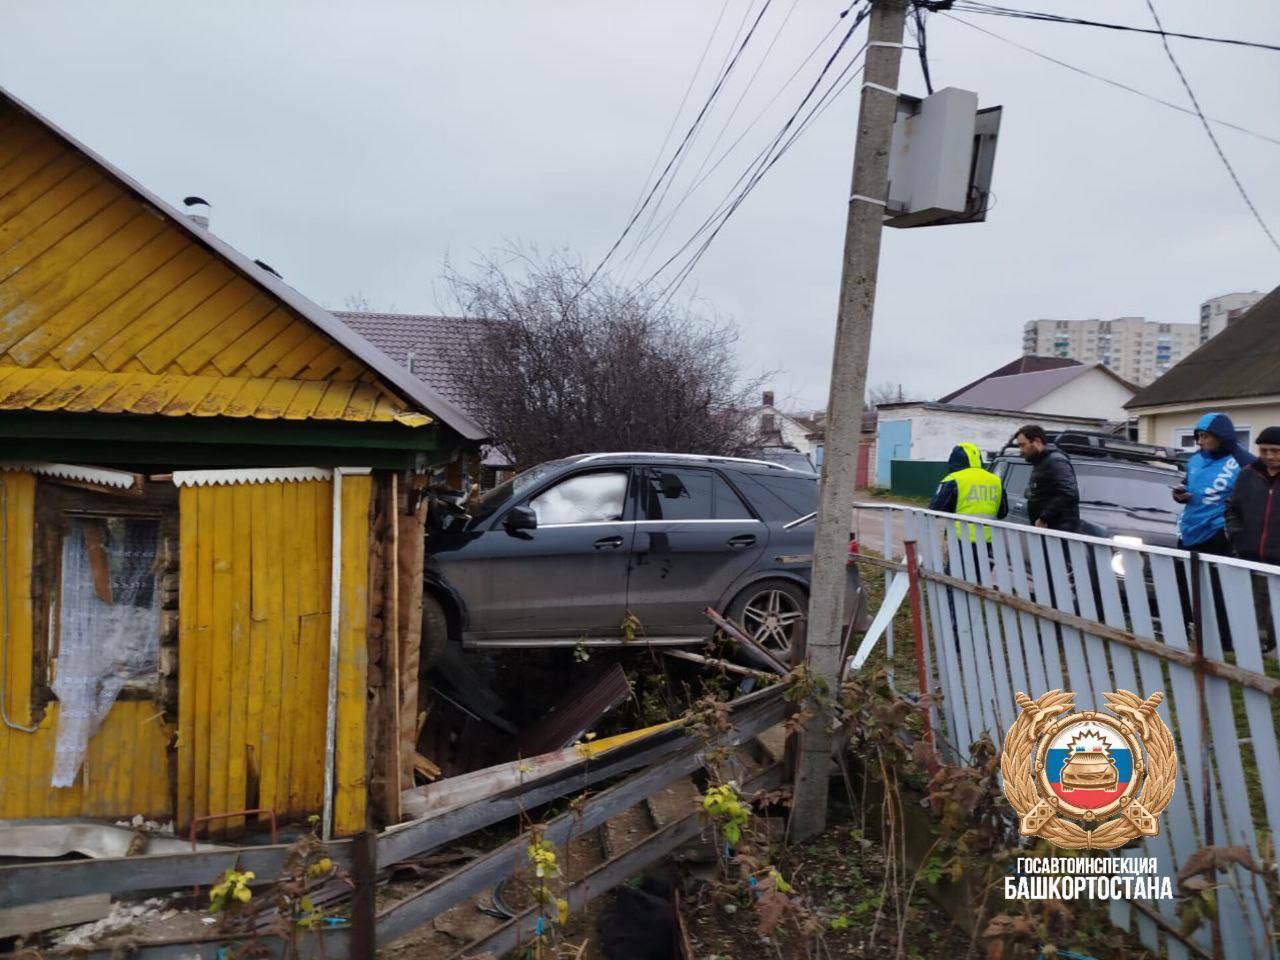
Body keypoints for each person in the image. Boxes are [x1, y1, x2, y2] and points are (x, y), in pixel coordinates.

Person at [1171, 412, 1256, 555]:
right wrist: (1179, 494)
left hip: (1218, 538)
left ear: (1221, 437)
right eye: (1198, 436)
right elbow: (1188, 484)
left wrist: (1231, 532)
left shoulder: (1245, 463)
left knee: (1214, 578)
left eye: (1205, 436)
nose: (1199, 441)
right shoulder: (1196, 459)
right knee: (1183, 577)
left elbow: (1254, 502)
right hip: (1188, 531)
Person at [929, 441, 1009, 540]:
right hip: (987, 540)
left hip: (958, 538)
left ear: (954, 460)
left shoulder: (953, 479)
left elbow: (935, 510)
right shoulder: (996, 480)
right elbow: (1003, 513)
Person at [1224, 426, 1280, 563]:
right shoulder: (1247, 474)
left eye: (1275, 451)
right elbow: (1232, 510)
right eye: (1263, 450)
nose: (1269, 456)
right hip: (1248, 559)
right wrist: (1237, 536)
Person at [1014, 425, 1080, 532]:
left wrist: (1044, 518)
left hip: (1059, 531)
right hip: (1050, 530)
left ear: (1037, 442)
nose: (1020, 451)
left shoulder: (1056, 461)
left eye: (1023, 445)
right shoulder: (1042, 462)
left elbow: (1068, 493)